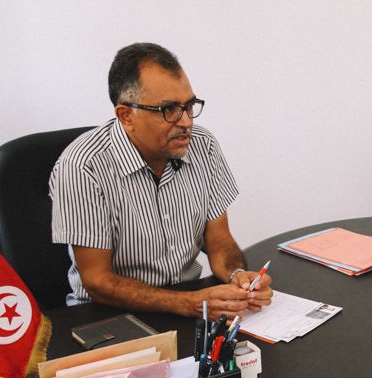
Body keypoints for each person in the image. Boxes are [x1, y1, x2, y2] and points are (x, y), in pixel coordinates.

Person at [50, 42, 272, 319]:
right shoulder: (83, 166)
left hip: (190, 305)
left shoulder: (203, 146)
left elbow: (219, 241)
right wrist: (188, 303)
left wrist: (238, 276)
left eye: (189, 106)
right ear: (126, 115)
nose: (186, 122)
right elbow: (98, 282)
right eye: (169, 109)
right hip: (109, 316)